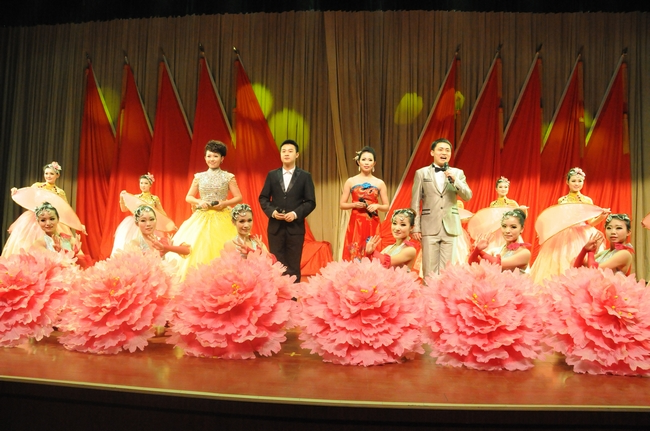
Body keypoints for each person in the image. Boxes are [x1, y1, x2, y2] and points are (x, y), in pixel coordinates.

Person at [172, 140, 242, 279]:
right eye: (209, 156)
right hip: (201, 216)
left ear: (222, 158)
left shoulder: (228, 177)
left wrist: (224, 203)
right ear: (205, 158)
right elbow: (188, 197)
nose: (212, 159)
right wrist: (200, 201)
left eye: (215, 156)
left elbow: (238, 197)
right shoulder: (199, 177)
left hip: (223, 216)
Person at [530, 167, 610, 284]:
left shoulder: (587, 200)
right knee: (560, 260)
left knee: (582, 261)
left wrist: (602, 216)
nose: (577, 184)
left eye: (579, 181)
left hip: (583, 234)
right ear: (567, 182)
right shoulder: (562, 200)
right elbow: (559, 221)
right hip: (565, 234)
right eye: (573, 181)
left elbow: (591, 222)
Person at [411, 138, 472, 277]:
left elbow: (468, 196)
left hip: (450, 226)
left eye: (447, 150)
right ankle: (428, 291)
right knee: (429, 269)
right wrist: (416, 227)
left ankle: (444, 292)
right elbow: (415, 202)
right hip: (429, 225)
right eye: (440, 149)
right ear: (432, 152)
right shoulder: (421, 173)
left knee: (447, 271)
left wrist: (455, 180)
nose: (444, 153)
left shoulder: (457, 173)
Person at [259, 139, 316, 283]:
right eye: (283, 151)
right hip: (275, 227)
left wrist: (295, 214)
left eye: (290, 151)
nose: (286, 154)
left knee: (293, 263)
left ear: (297, 155)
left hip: (295, 228)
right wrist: (272, 212)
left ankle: (294, 293)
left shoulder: (305, 176)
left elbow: (310, 202)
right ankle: (277, 292)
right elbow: (263, 198)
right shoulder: (272, 175)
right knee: (276, 263)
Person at [3, 161, 72, 257]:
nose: (48, 176)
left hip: (51, 219)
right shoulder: (37, 186)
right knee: (26, 242)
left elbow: (65, 209)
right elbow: (26, 196)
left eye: (51, 174)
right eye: (46, 173)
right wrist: (16, 192)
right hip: (33, 218)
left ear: (57, 175)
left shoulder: (60, 192)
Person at [340, 146, 389, 261]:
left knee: (373, 252)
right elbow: (342, 205)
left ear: (374, 163)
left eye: (370, 160)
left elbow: (386, 206)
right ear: (358, 162)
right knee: (355, 252)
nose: (367, 163)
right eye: (364, 159)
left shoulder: (379, 183)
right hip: (356, 222)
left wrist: (377, 206)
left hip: (373, 222)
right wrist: (354, 205)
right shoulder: (351, 181)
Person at [112, 173, 172, 255]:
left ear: (150, 185)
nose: (143, 185)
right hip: (135, 224)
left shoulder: (154, 198)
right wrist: (121, 198)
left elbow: (161, 212)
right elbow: (124, 209)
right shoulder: (135, 197)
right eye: (141, 183)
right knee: (133, 245)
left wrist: (168, 223)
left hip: (149, 224)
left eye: (146, 183)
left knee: (151, 246)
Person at [468, 208, 531, 274]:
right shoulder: (495, 250)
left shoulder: (525, 253)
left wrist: (480, 252)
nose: (507, 231)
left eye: (513, 227)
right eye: (504, 226)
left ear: (522, 229)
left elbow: (497, 265)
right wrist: (477, 250)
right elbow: (474, 264)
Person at [32, 202, 91, 267]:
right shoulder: (39, 243)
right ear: (38, 222)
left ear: (58, 219)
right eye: (43, 220)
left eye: (52, 219)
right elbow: (51, 261)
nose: (48, 223)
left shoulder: (70, 240)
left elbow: (82, 264)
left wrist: (75, 254)